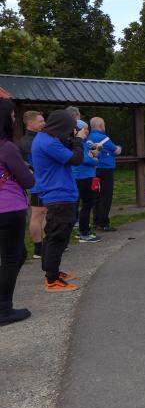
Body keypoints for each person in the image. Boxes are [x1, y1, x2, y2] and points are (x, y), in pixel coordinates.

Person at [31, 109, 85, 292]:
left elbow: (65, 149)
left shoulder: (45, 138)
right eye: (69, 128)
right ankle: (52, 280)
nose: (70, 132)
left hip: (57, 193)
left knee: (53, 234)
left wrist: (72, 140)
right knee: (58, 236)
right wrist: (78, 141)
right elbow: (75, 159)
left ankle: (51, 270)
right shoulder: (49, 143)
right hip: (59, 194)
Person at [1, 99, 35, 325]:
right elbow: (28, 180)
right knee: (12, 258)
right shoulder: (7, 147)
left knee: (17, 255)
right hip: (9, 208)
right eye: (12, 116)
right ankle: (4, 309)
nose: (15, 119)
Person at [19, 110, 46, 258]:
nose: (44, 123)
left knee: (45, 213)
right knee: (37, 214)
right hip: (37, 183)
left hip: (44, 182)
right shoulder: (28, 141)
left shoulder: (38, 137)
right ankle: (38, 249)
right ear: (30, 123)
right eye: (40, 121)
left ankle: (46, 244)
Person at [88, 117, 122, 231]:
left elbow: (91, 153)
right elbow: (116, 151)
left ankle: (96, 221)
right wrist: (119, 147)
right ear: (101, 125)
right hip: (106, 170)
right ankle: (103, 223)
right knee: (106, 195)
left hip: (93, 170)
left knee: (95, 195)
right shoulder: (104, 138)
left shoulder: (88, 137)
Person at [73, 120, 102, 242]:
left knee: (82, 205)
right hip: (84, 177)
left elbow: (89, 155)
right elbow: (85, 159)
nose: (87, 132)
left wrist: (95, 152)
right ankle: (84, 233)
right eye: (84, 129)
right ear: (77, 130)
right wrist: (95, 159)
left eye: (87, 129)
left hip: (81, 177)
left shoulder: (82, 143)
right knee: (87, 205)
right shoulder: (79, 143)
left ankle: (81, 230)